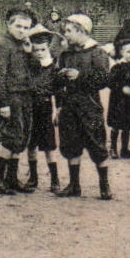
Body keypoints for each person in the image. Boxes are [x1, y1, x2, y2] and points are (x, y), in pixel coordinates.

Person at [54, 14, 113, 200]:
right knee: (70, 143)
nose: (66, 35)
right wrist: (61, 77)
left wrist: (79, 76)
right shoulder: (65, 55)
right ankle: (74, 185)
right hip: (69, 107)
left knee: (97, 144)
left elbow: (103, 79)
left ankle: (104, 186)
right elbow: (56, 83)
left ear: (81, 31)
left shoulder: (97, 53)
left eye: (69, 31)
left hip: (90, 107)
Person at [0, 8, 37, 194]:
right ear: (9, 25)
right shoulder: (1, 45)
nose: (22, 30)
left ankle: (12, 178)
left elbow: (35, 70)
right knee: (9, 137)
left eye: (26, 27)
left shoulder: (24, 45)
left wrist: (30, 52)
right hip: (11, 97)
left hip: (25, 95)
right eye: (18, 26)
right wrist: (3, 103)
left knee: (21, 138)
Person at [22, 26, 61, 193]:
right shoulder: (30, 67)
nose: (39, 53)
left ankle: (54, 178)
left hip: (45, 108)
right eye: (36, 50)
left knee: (48, 146)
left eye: (42, 49)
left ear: (48, 49)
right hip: (31, 109)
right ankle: (33, 178)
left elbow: (58, 92)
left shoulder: (53, 69)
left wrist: (57, 111)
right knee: (31, 145)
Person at [106, 39, 130, 160]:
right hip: (117, 100)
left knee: (127, 125)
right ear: (122, 52)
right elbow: (110, 82)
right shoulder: (117, 67)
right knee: (116, 124)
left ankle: (124, 149)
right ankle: (113, 148)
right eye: (128, 51)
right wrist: (121, 88)